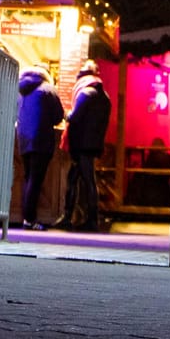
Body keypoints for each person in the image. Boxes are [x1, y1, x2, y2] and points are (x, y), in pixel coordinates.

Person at [59, 60, 112, 231]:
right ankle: (82, 218)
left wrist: (66, 113)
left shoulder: (86, 93)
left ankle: (85, 219)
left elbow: (74, 117)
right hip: (93, 144)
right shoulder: (104, 96)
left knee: (80, 181)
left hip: (81, 144)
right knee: (82, 180)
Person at [15, 68, 64, 230]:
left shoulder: (19, 90)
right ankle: (30, 219)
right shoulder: (48, 90)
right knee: (35, 180)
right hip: (41, 139)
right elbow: (58, 116)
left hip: (23, 139)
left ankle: (26, 217)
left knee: (28, 178)